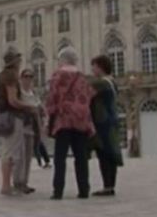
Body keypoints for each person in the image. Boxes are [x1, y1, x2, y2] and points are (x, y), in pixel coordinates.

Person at [46, 47, 95, 200]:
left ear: (63, 60)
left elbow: (52, 97)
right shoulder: (83, 78)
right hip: (80, 120)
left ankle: (58, 190)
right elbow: (89, 96)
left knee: (60, 157)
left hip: (64, 120)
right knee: (81, 157)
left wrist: (50, 115)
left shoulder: (57, 76)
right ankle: (84, 189)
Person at [0, 50, 38, 196]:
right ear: (15, 62)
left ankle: (7, 185)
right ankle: (6, 186)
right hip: (13, 117)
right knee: (10, 152)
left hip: (6, 115)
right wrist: (29, 107)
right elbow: (13, 100)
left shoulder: (2, 75)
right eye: (19, 61)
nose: (20, 64)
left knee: (8, 151)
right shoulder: (11, 76)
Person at [89, 55, 124, 197]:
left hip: (103, 122)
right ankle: (110, 185)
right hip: (112, 120)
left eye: (94, 66)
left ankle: (107, 186)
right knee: (111, 153)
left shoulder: (102, 83)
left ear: (100, 67)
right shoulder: (112, 81)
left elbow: (85, 92)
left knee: (103, 153)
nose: (92, 69)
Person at [12, 68, 43, 192]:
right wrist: (30, 108)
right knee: (19, 156)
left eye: (31, 77)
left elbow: (39, 106)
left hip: (31, 127)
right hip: (20, 126)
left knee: (28, 156)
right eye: (26, 76)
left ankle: (24, 182)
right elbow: (16, 104)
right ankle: (17, 181)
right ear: (21, 78)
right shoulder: (19, 92)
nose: (28, 79)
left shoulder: (33, 92)